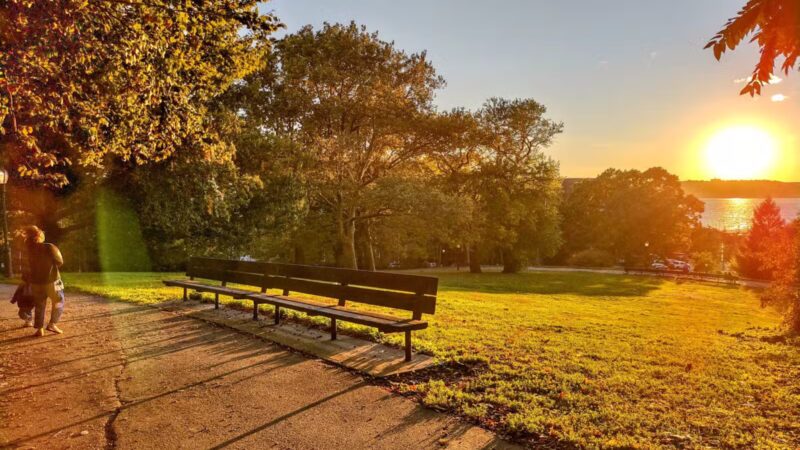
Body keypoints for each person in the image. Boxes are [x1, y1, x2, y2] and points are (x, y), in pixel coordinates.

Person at [21, 226, 65, 336]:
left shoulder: (28, 251)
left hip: (36, 283)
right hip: (52, 280)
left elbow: (24, 268)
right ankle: (52, 324)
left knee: (39, 305)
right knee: (59, 301)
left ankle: (39, 329)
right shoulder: (49, 247)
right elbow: (60, 261)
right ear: (40, 235)